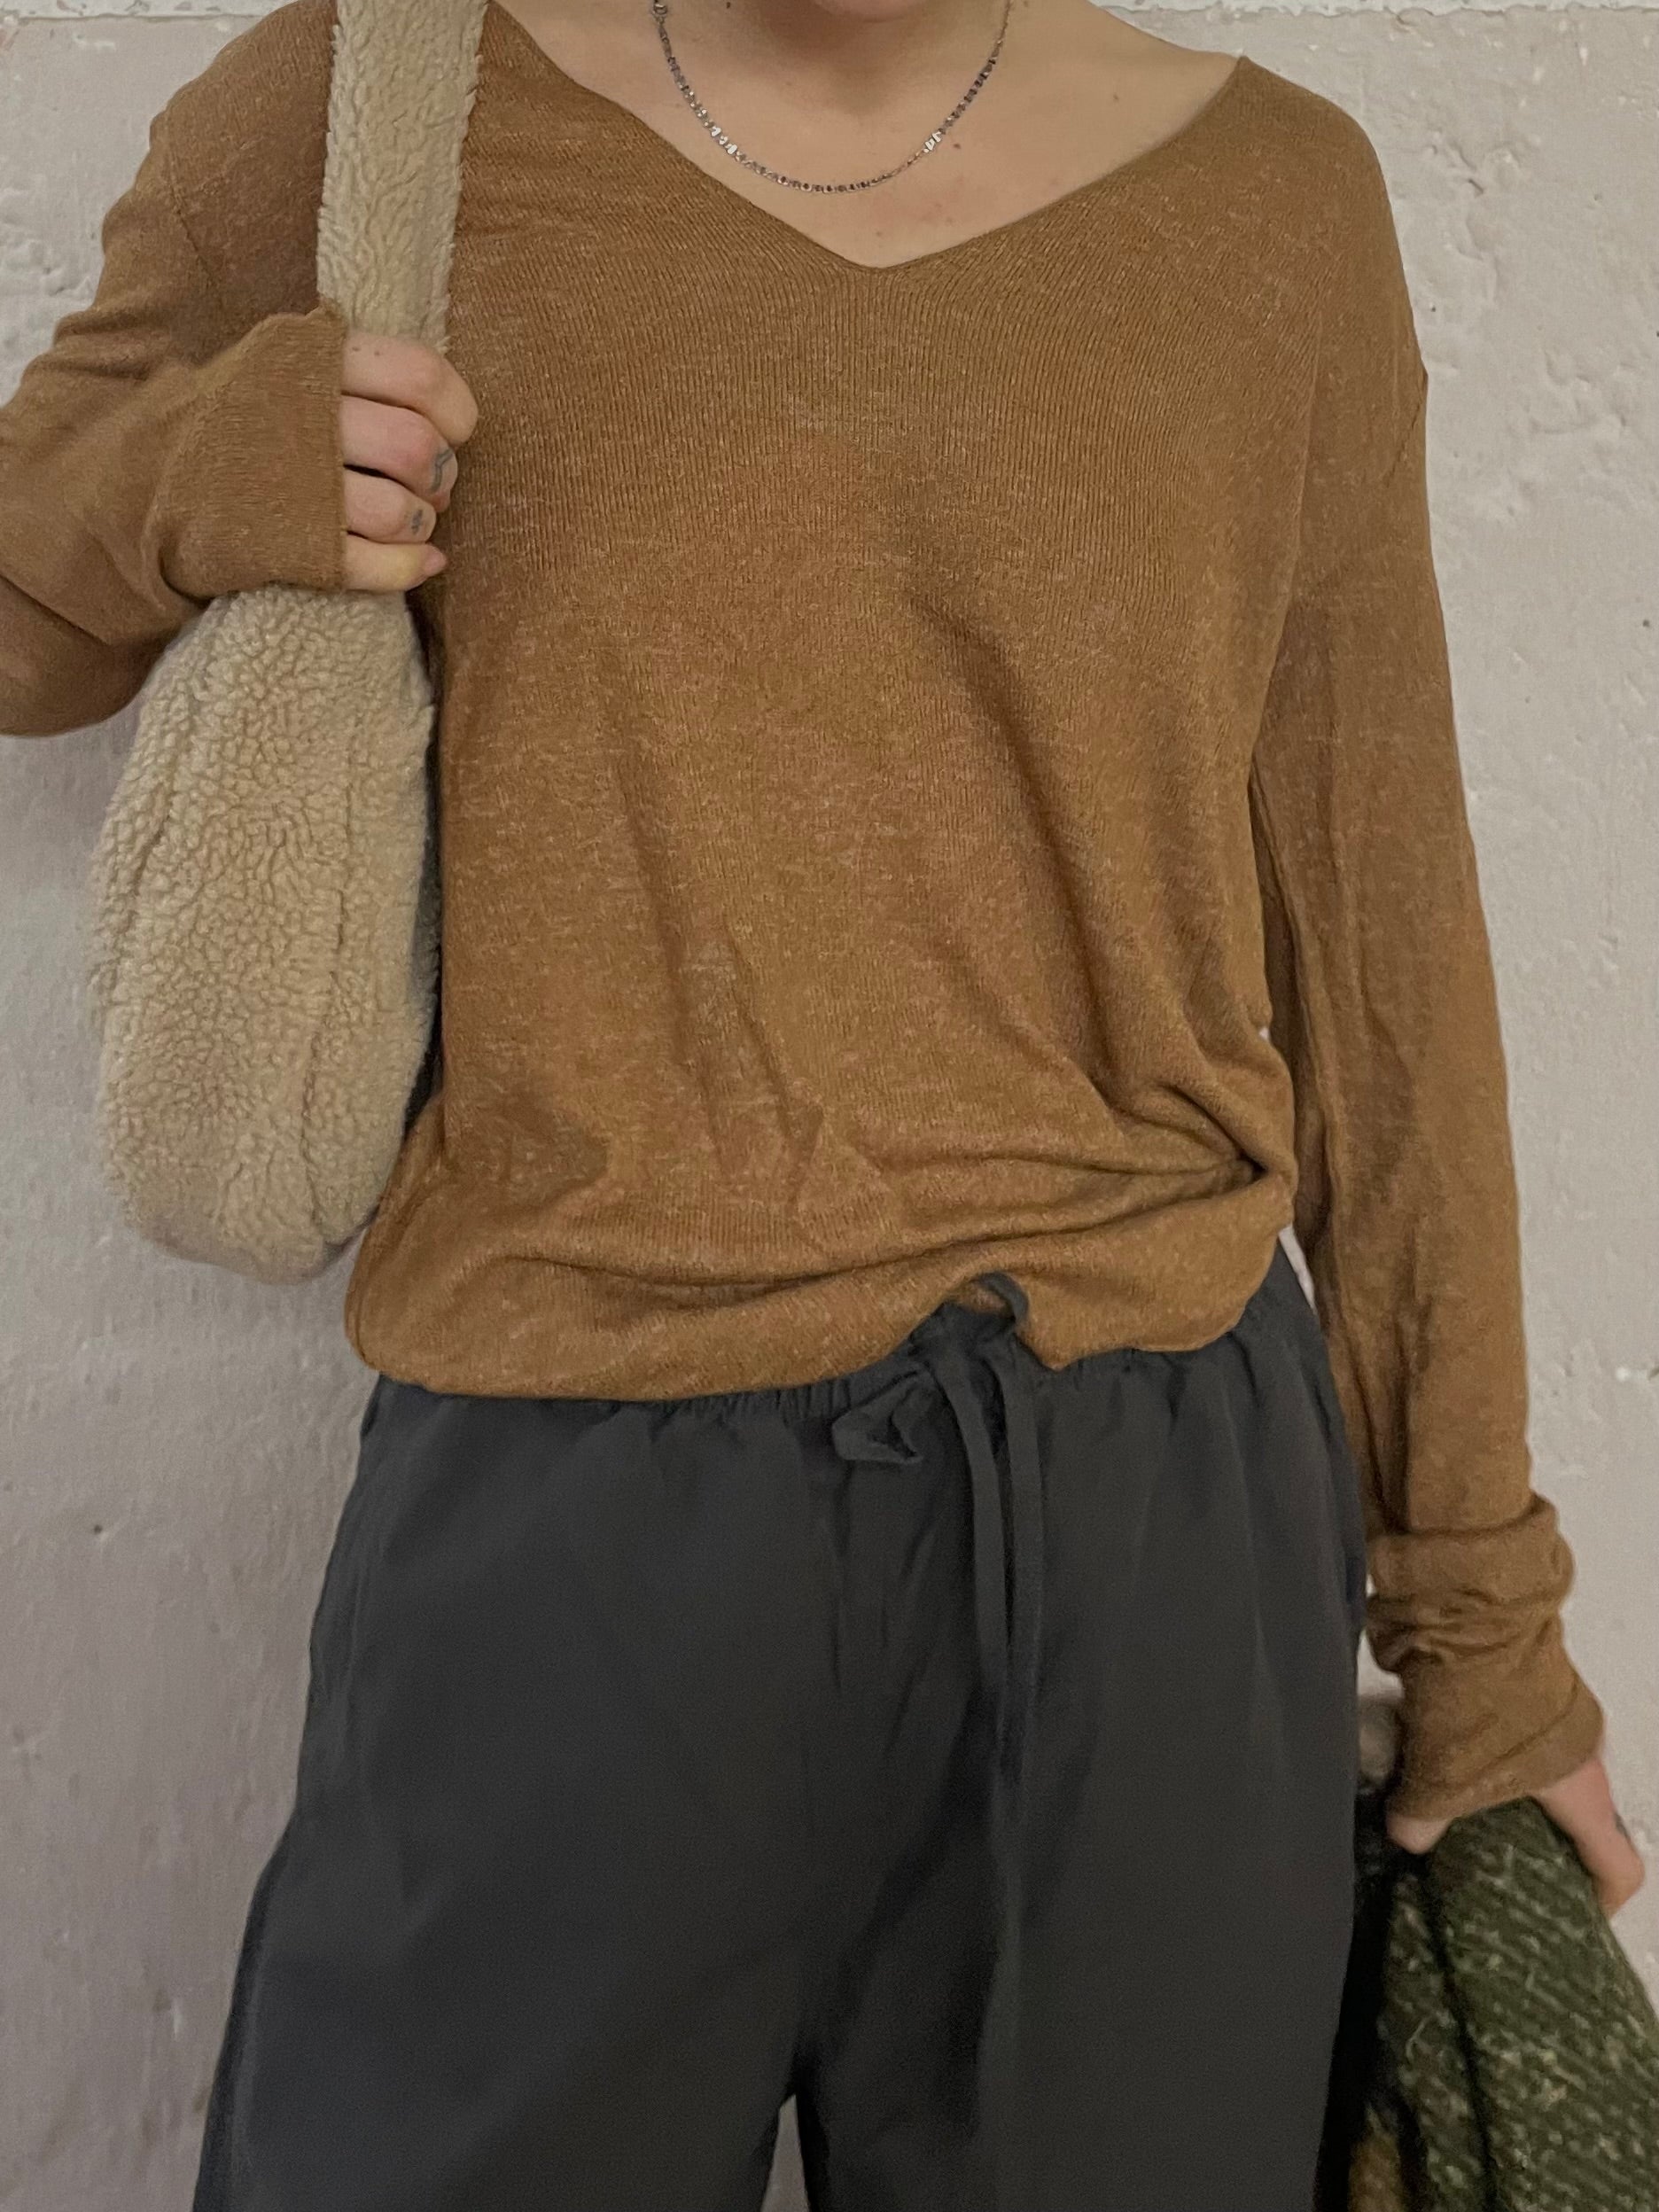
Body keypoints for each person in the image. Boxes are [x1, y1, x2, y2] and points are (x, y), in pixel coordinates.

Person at [0, 0, 1643, 2205]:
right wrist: (201, 473)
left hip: (1140, 1543)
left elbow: (1383, 951)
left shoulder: (1279, 212)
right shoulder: (375, 100)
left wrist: (1484, 1637)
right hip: (565, 1532)